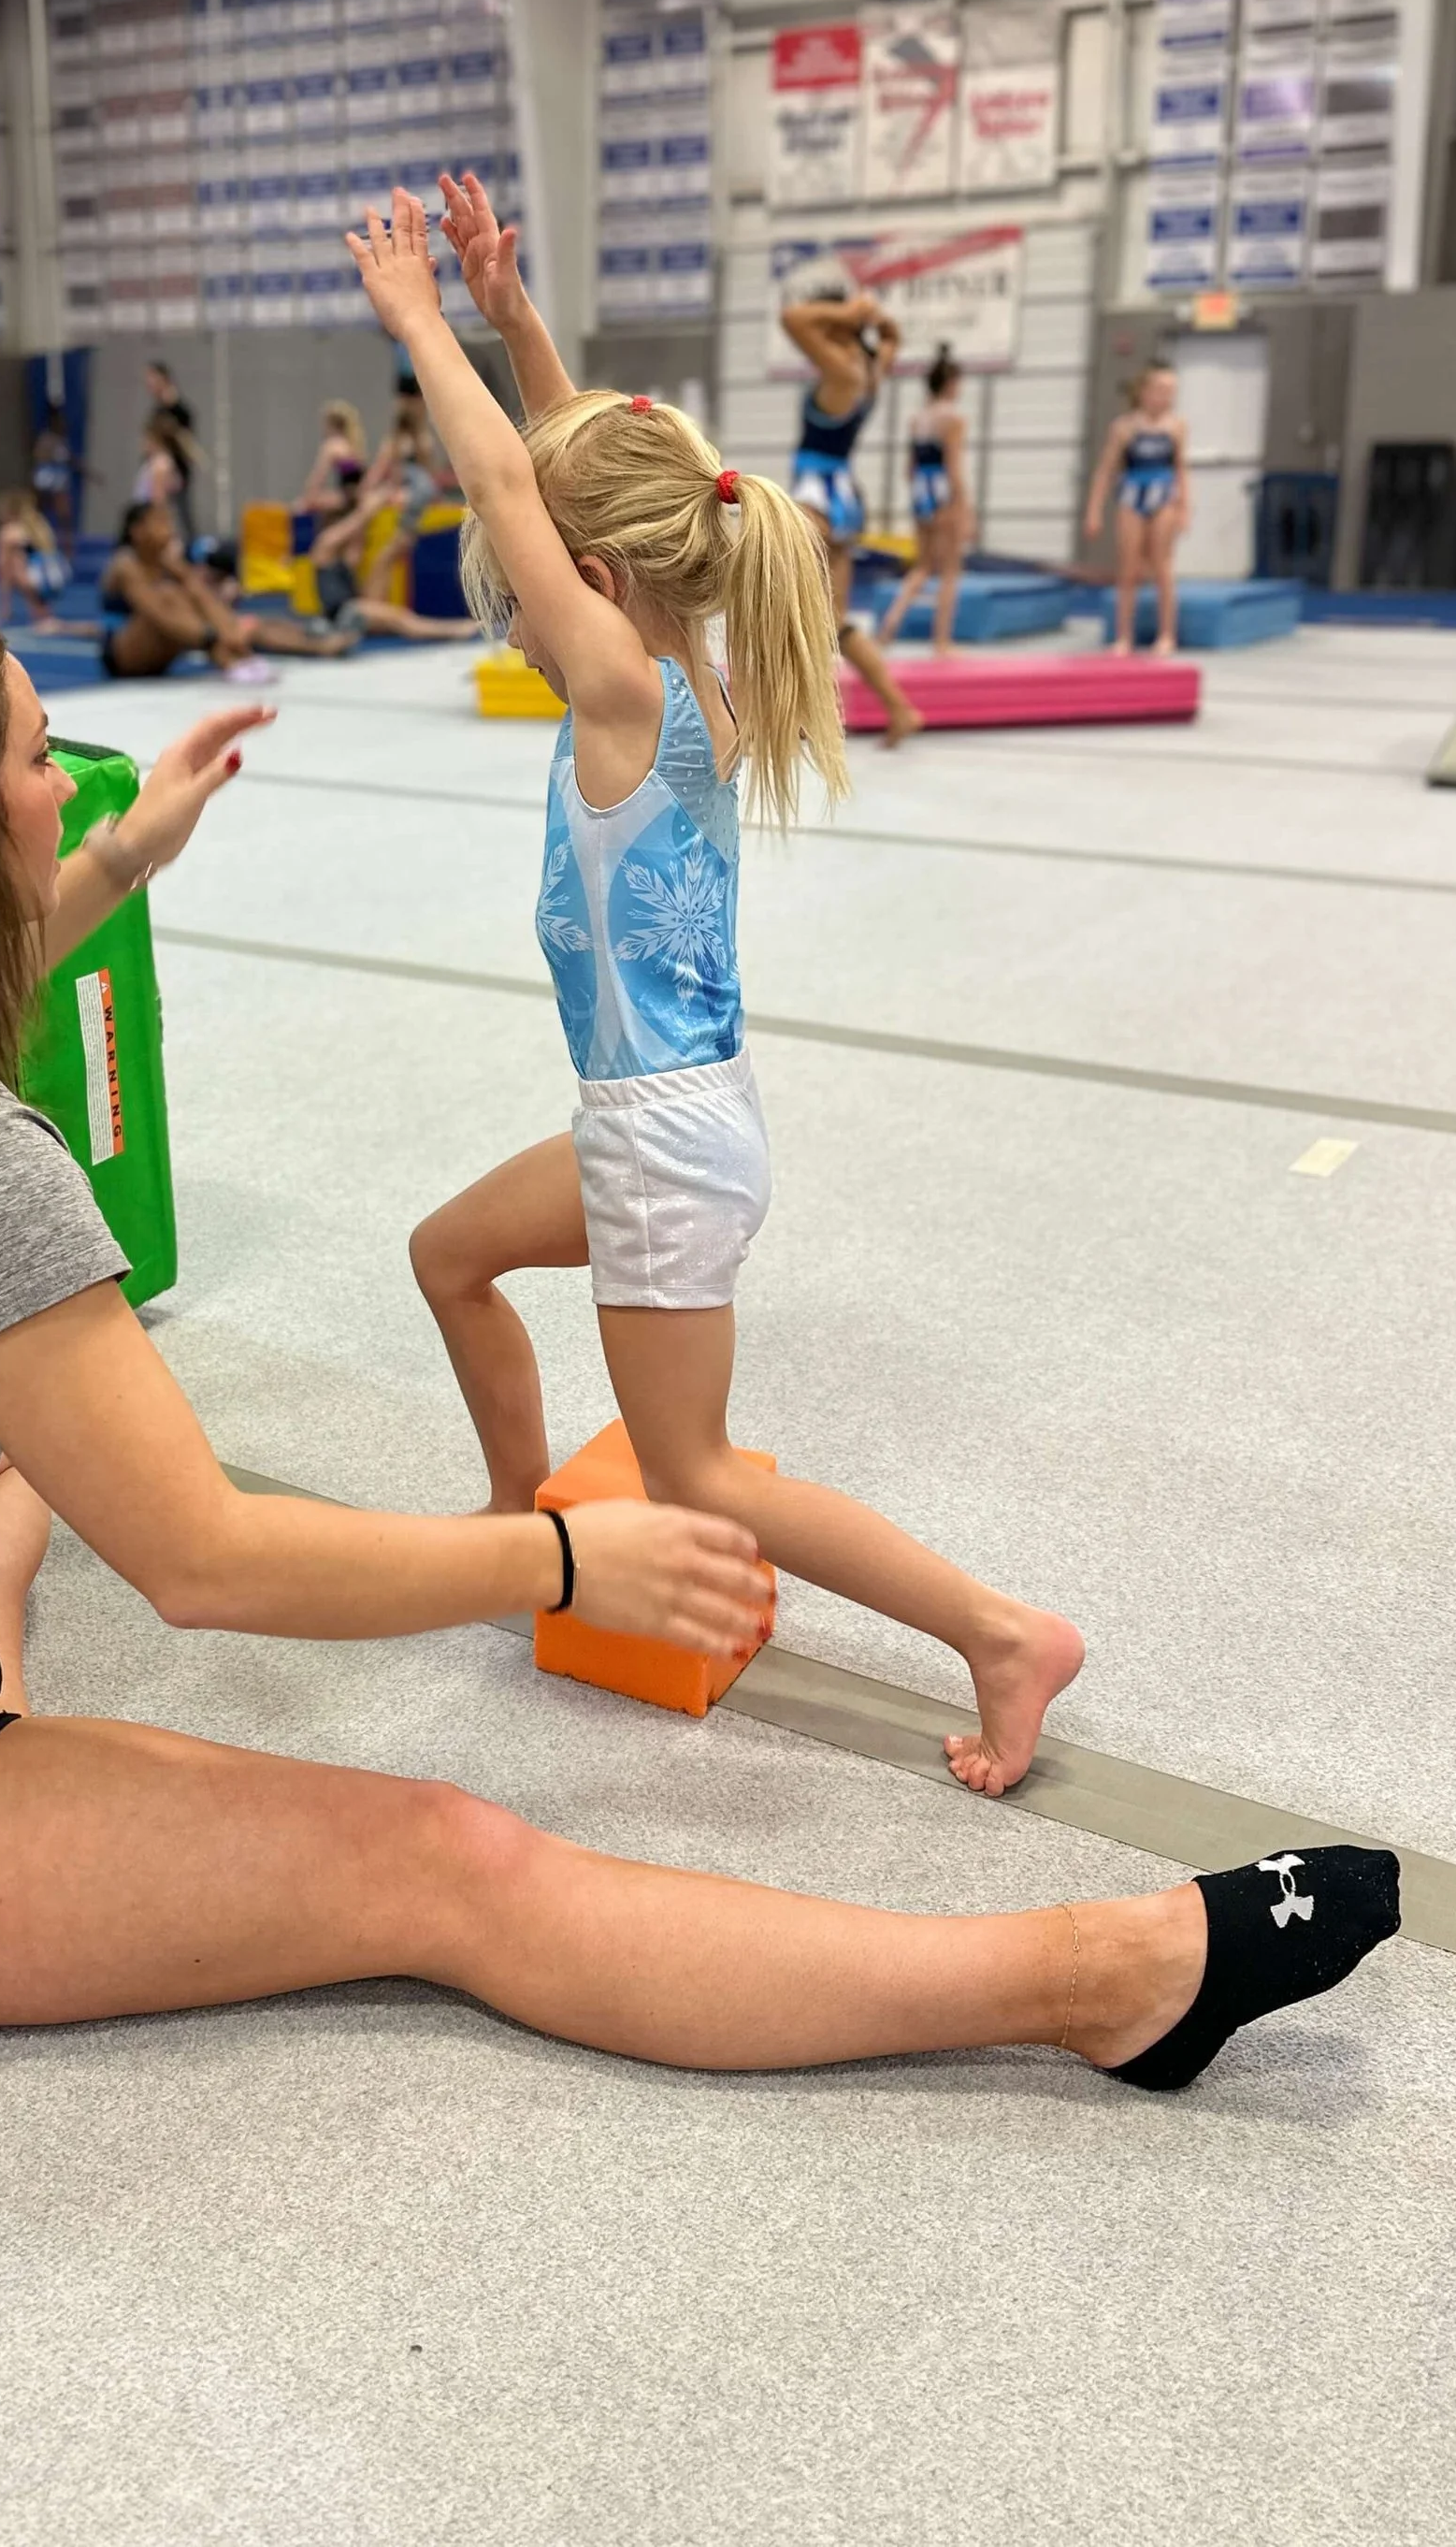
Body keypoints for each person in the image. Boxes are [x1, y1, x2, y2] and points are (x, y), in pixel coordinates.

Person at [0, 594, 1399, 2074]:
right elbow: (204, 1563)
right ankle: (1100, 1978)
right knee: (445, 1859)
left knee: (22, 1488)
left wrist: (127, 860)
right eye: (44, 759)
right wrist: (563, 1546)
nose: (69, 780)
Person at [385, 174, 1067, 1797]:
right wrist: (513, 312)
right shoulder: (682, 659)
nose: (527, 582)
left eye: (549, 563)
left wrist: (419, 319)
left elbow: (506, 477)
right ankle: (510, 1523)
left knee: (693, 1462)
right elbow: (589, 474)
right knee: (451, 1253)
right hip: (671, 1116)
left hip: (663, 1139)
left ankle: (999, 1630)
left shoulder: (622, 683)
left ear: (592, 577)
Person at [775, 271, 921, 745]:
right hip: (845, 497)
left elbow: (792, 318)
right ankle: (898, 707)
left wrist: (850, 313)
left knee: (790, 609)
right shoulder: (871, 370)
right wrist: (874, 321)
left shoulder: (841, 371)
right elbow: (893, 338)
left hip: (816, 493)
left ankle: (799, 716)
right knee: (833, 621)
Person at [100, 498, 353, 682]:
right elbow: (156, 613)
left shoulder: (168, 563)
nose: (169, 527)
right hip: (125, 658)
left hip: (170, 646)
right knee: (172, 595)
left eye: (168, 521)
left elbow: (201, 595)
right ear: (137, 531)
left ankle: (315, 645)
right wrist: (214, 640)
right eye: (160, 522)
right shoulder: (126, 565)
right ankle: (229, 655)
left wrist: (230, 630)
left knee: (241, 620)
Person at [1085, 364, 1191, 655]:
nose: (1166, 397)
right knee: (1129, 570)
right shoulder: (1124, 427)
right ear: (1145, 392)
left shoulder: (1176, 426)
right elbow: (1105, 471)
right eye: (1161, 390)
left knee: (1162, 567)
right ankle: (1123, 636)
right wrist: (1094, 510)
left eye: (1171, 392)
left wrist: (1185, 508)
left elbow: (1182, 469)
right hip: (1132, 495)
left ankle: (1167, 634)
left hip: (1164, 496)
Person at [878, 343, 973, 655]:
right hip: (943, 489)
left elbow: (909, 469)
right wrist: (964, 506)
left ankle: (891, 620)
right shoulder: (953, 419)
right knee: (949, 571)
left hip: (921, 490)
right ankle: (942, 641)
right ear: (950, 384)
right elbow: (953, 467)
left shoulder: (917, 418)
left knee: (922, 566)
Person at [0, 488, 68, 634]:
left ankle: (5, 611)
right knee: (16, 561)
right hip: (56, 578)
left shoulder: (9, 532)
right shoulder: (38, 525)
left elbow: (1, 566)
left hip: (36, 580)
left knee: (8, 565)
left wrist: (4, 607)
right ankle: (44, 614)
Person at [296, 400, 368, 523]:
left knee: (300, 506)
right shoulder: (353, 445)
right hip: (360, 497)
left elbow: (316, 481)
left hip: (348, 500)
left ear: (330, 425)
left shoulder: (332, 446)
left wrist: (307, 500)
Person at [29, 403, 79, 568]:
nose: (63, 424)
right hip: (46, 477)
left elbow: (73, 461)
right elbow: (39, 458)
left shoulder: (62, 441)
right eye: (59, 421)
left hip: (59, 479)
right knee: (38, 514)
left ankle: (67, 551)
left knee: (65, 516)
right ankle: (35, 546)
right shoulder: (46, 440)